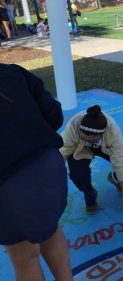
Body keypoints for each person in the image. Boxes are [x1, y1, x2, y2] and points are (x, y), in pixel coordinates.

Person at [0, 63, 73, 280]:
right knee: (50, 230)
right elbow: (54, 116)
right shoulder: (12, 72)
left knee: (24, 257)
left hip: (6, 186)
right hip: (47, 168)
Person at [60, 105, 123, 214]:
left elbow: (119, 161)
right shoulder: (74, 125)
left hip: (105, 148)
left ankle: (115, 179)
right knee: (78, 175)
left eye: (93, 141)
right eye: (84, 138)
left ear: (102, 134)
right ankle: (90, 194)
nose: (88, 142)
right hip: (79, 148)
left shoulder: (113, 130)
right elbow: (63, 150)